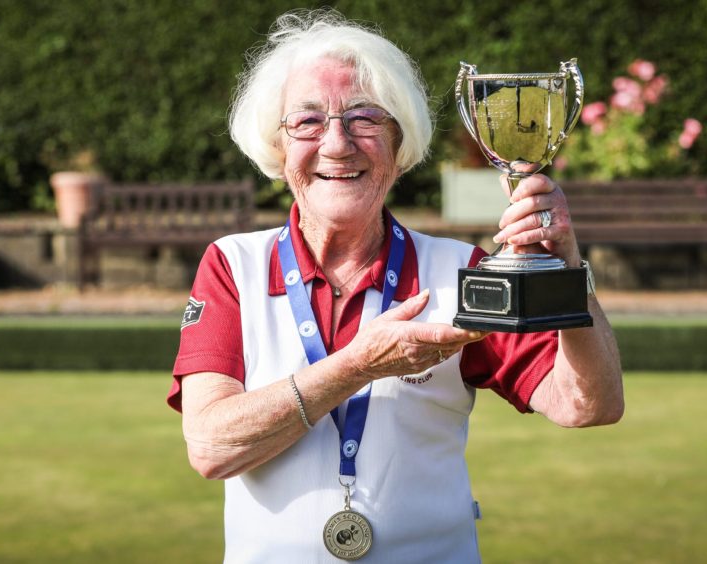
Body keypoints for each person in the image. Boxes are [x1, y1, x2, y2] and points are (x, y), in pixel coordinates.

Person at [167, 9, 623, 563]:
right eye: (307, 121)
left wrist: (569, 276)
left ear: (399, 140)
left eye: (365, 118)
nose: (337, 144)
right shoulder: (232, 264)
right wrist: (359, 365)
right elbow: (212, 447)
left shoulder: (466, 269)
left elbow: (588, 405)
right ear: (278, 146)